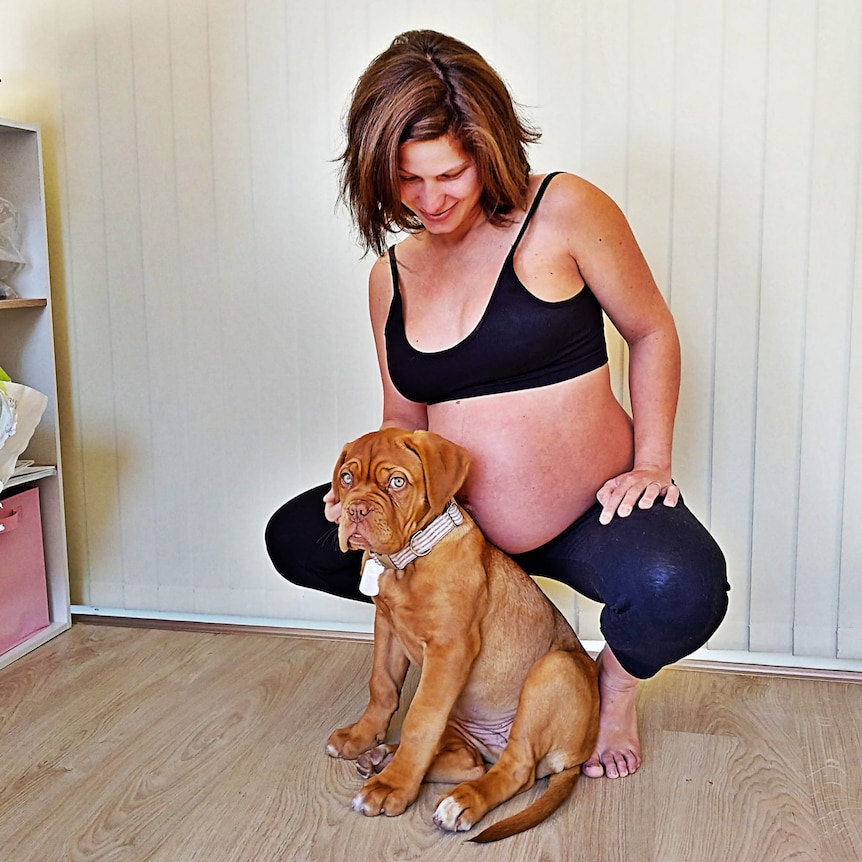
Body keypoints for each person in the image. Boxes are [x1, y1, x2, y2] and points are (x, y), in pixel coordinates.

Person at [266, 29, 728, 780]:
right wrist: (362, 501)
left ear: (487, 147)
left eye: (447, 174)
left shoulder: (565, 210)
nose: (429, 200)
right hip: (456, 532)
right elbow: (404, 420)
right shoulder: (392, 275)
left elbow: (651, 330)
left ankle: (610, 686)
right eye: (406, 181)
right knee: (295, 534)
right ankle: (454, 641)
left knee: (684, 588)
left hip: (589, 511)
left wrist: (653, 461)